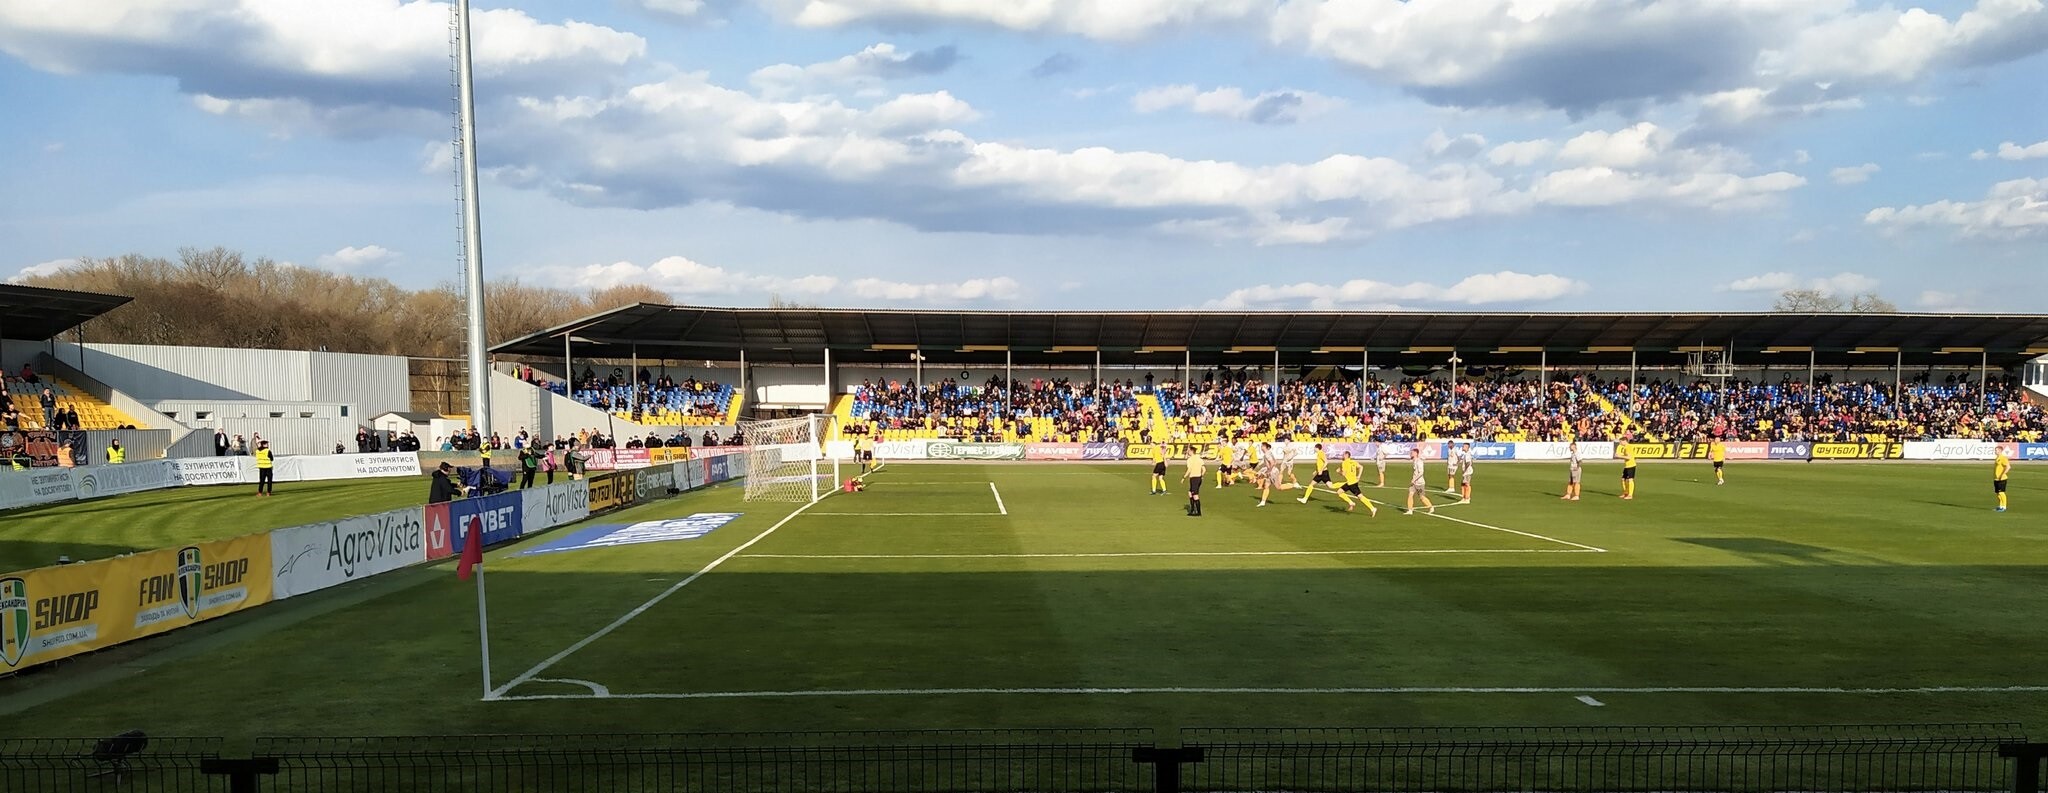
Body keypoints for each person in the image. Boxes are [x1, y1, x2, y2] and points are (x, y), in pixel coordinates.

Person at [1332, 450, 1377, 516]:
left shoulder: (1344, 463)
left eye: (1343, 455)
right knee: (1339, 492)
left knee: (1360, 497)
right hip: (1351, 482)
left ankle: (1372, 508)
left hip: (1351, 483)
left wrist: (1338, 471)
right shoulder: (1353, 462)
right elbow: (1361, 467)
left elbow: (1344, 474)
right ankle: (1351, 502)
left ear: (1346, 456)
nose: (1342, 456)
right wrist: (1358, 476)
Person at [1405, 446, 1436, 516]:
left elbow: (1421, 472)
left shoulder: (1419, 461)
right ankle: (1410, 510)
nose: (1411, 454)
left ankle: (1431, 507)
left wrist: (1414, 479)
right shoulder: (1414, 461)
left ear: (1416, 453)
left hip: (1419, 483)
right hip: (1414, 483)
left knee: (1422, 497)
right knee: (1410, 494)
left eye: (1412, 452)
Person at [1182, 449, 1206, 517]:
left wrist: (1184, 477)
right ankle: (1192, 510)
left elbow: (1189, 469)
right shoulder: (1199, 459)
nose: (1188, 452)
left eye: (1189, 451)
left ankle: (1198, 512)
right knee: (1190, 493)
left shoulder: (1190, 460)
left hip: (1194, 478)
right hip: (1198, 478)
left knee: (1195, 495)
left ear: (1192, 452)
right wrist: (1201, 475)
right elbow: (1204, 469)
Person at [1994, 445, 2011, 512]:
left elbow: (2008, 467)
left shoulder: (2003, 458)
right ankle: (2000, 506)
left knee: (2001, 492)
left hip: (2002, 478)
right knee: (1998, 493)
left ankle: (2004, 507)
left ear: (2000, 451)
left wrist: (2002, 474)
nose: (1995, 451)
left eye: (1996, 450)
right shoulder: (1997, 458)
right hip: (1996, 478)